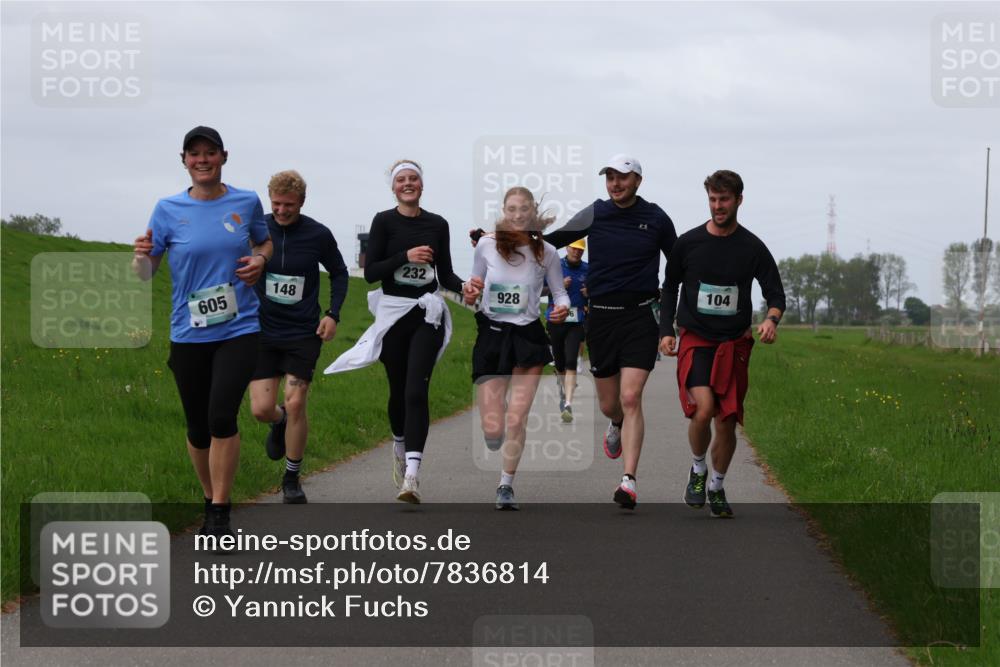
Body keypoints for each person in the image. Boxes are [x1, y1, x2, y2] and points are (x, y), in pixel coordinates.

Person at [132, 126, 271, 537]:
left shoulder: (246, 202)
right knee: (197, 426)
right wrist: (139, 257)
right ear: (184, 161)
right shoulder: (167, 209)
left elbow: (264, 244)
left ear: (224, 157)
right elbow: (146, 272)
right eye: (195, 154)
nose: (203, 160)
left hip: (239, 327)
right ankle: (208, 497)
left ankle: (220, 510)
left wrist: (261, 261)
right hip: (189, 332)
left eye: (210, 152)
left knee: (221, 415)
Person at [324, 159, 465, 504]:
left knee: (417, 390)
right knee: (398, 390)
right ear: (393, 187)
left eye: (413, 178)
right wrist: (405, 255)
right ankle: (399, 445)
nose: (407, 184)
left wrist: (466, 288)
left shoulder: (438, 224)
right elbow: (371, 272)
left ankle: (412, 477)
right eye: (401, 179)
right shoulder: (384, 221)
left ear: (421, 185)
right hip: (392, 317)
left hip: (426, 315)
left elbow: (444, 274)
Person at [543, 155, 676, 509]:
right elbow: (553, 239)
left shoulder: (656, 218)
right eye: (610, 178)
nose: (615, 184)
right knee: (610, 404)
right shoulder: (596, 212)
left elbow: (678, 266)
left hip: (640, 318)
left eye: (623, 177)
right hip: (600, 317)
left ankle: (628, 481)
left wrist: (671, 318)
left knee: (632, 397)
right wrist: (502, 239)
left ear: (638, 181)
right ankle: (615, 422)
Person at [658, 170, 785, 518]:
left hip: (733, 343)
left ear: (738, 201)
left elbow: (775, 293)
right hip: (697, 338)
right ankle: (698, 469)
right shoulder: (689, 243)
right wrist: (665, 330)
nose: (718, 206)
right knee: (703, 407)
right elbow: (669, 288)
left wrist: (771, 320)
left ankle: (716, 484)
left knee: (727, 420)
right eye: (713, 200)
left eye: (724, 200)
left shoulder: (752, 247)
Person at [463, 187, 569, 510]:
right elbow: (473, 288)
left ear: (532, 211)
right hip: (493, 336)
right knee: (494, 426)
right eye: (512, 209)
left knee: (516, 419)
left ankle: (505, 485)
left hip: (527, 337)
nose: (518, 214)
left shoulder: (546, 252)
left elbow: (559, 293)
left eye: (524, 209)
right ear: (504, 211)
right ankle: (492, 434)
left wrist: (561, 307)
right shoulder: (486, 245)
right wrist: (470, 292)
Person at [248, 170, 348, 504]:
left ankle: (292, 477)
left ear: (301, 203)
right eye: (276, 204)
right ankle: (279, 423)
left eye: (288, 205)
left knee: (296, 400)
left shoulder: (318, 234)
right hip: (262, 330)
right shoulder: (258, 229)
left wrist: (332, 314)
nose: (281, 210)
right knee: (262, 409)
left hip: (303, 332)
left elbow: (339, 272)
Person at [545, 238, 588, 423]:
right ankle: (563, 393)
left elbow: (596, 290)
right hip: (556, 319)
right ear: (568, 248)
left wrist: (590, 293)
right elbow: (540, 289)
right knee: (560, 363)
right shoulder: (555, 265)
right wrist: (559, 285)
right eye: (574, 249)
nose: (576, 252)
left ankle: (569, 403)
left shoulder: (588, 269)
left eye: (580, 250)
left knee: (571, 360)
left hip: (576, 321)